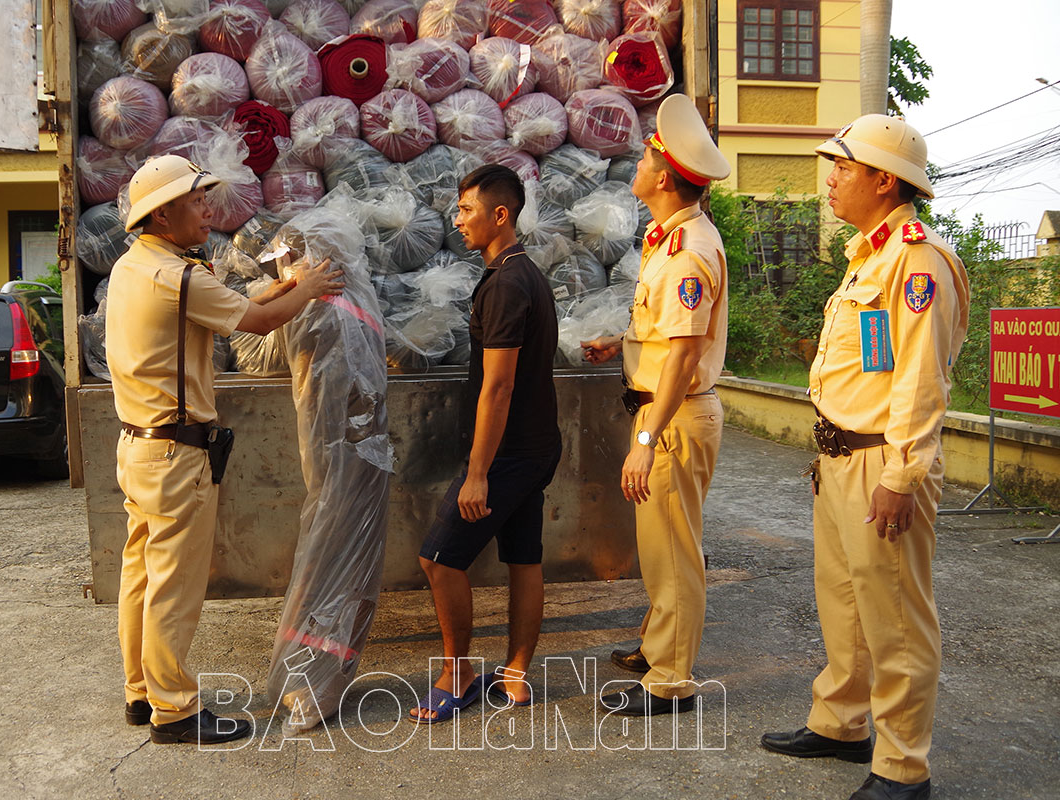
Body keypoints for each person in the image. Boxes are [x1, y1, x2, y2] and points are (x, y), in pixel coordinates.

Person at [759, 115, 969, 800]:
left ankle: (904, 768)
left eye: (843, 168)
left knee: (896, 616)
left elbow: (918, 379)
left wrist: (903, 474)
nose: (831, 180)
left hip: (886, 462)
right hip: (845, 458)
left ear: (884, 180)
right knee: (845, 600)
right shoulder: (869, 256)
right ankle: (842, 723)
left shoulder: (918, 258)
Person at [106, 154, 344, 745]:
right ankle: (175, 711)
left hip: (139, 448)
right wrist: (309, 288)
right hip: (174, 458)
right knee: (173, 589)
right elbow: (260, 323)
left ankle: (142, 693)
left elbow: (235, 301)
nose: (207, 209)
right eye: (195, 201)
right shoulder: (177, 278)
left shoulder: (136, 266)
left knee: (140, 577)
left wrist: (286, 285)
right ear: (162, 215)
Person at [580, 93, 730, 717]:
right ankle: (656, 644)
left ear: (663, 177)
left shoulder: (687, 251)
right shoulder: (670, 239)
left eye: (646, 155)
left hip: (671, 418)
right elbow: (669, 334)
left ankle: (670, 681)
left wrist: (645, 442)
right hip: (666, 412)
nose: (638, 162)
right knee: (663, 544)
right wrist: (624, 341)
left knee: (673, 553)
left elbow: (686, 357)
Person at [410, 164, 561, 723]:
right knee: (524, 558)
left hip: (509, 453)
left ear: (500, 215)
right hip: (538, 445)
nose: (458, 220)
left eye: (466, 210)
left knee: (439, 558)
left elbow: (497, 387)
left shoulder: (505, 284)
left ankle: (459, 673)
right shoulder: (527, 274)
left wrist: (478, 472)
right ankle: (516, 674)